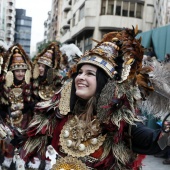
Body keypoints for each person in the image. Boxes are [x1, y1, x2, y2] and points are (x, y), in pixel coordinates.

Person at [46, 27, 170, 170]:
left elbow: (155, 142)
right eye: (80, 72)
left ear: (104, 83)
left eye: (89, 74)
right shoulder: (62, 112)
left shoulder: (120, 125)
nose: (80, 77)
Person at [21, 42, 63, 169]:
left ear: (49, 69)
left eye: (43, 66)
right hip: (33, 116)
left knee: (47, 139)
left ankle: (48, 161)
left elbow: (59, 100)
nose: (40, 68)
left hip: (50, 117)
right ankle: (33, 159)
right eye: (39, 65)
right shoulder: (33, 80)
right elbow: (27, 98)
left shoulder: (57, 80)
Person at [0, 44, 33, 169]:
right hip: (9, 120)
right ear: (12, 72)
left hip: (24, 119)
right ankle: (7, 160)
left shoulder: (29, 85)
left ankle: (21, 160)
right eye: (17, 71)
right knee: (8, 141)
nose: (20, 73)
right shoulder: (5, 85)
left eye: (22, 71)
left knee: (22, 141)